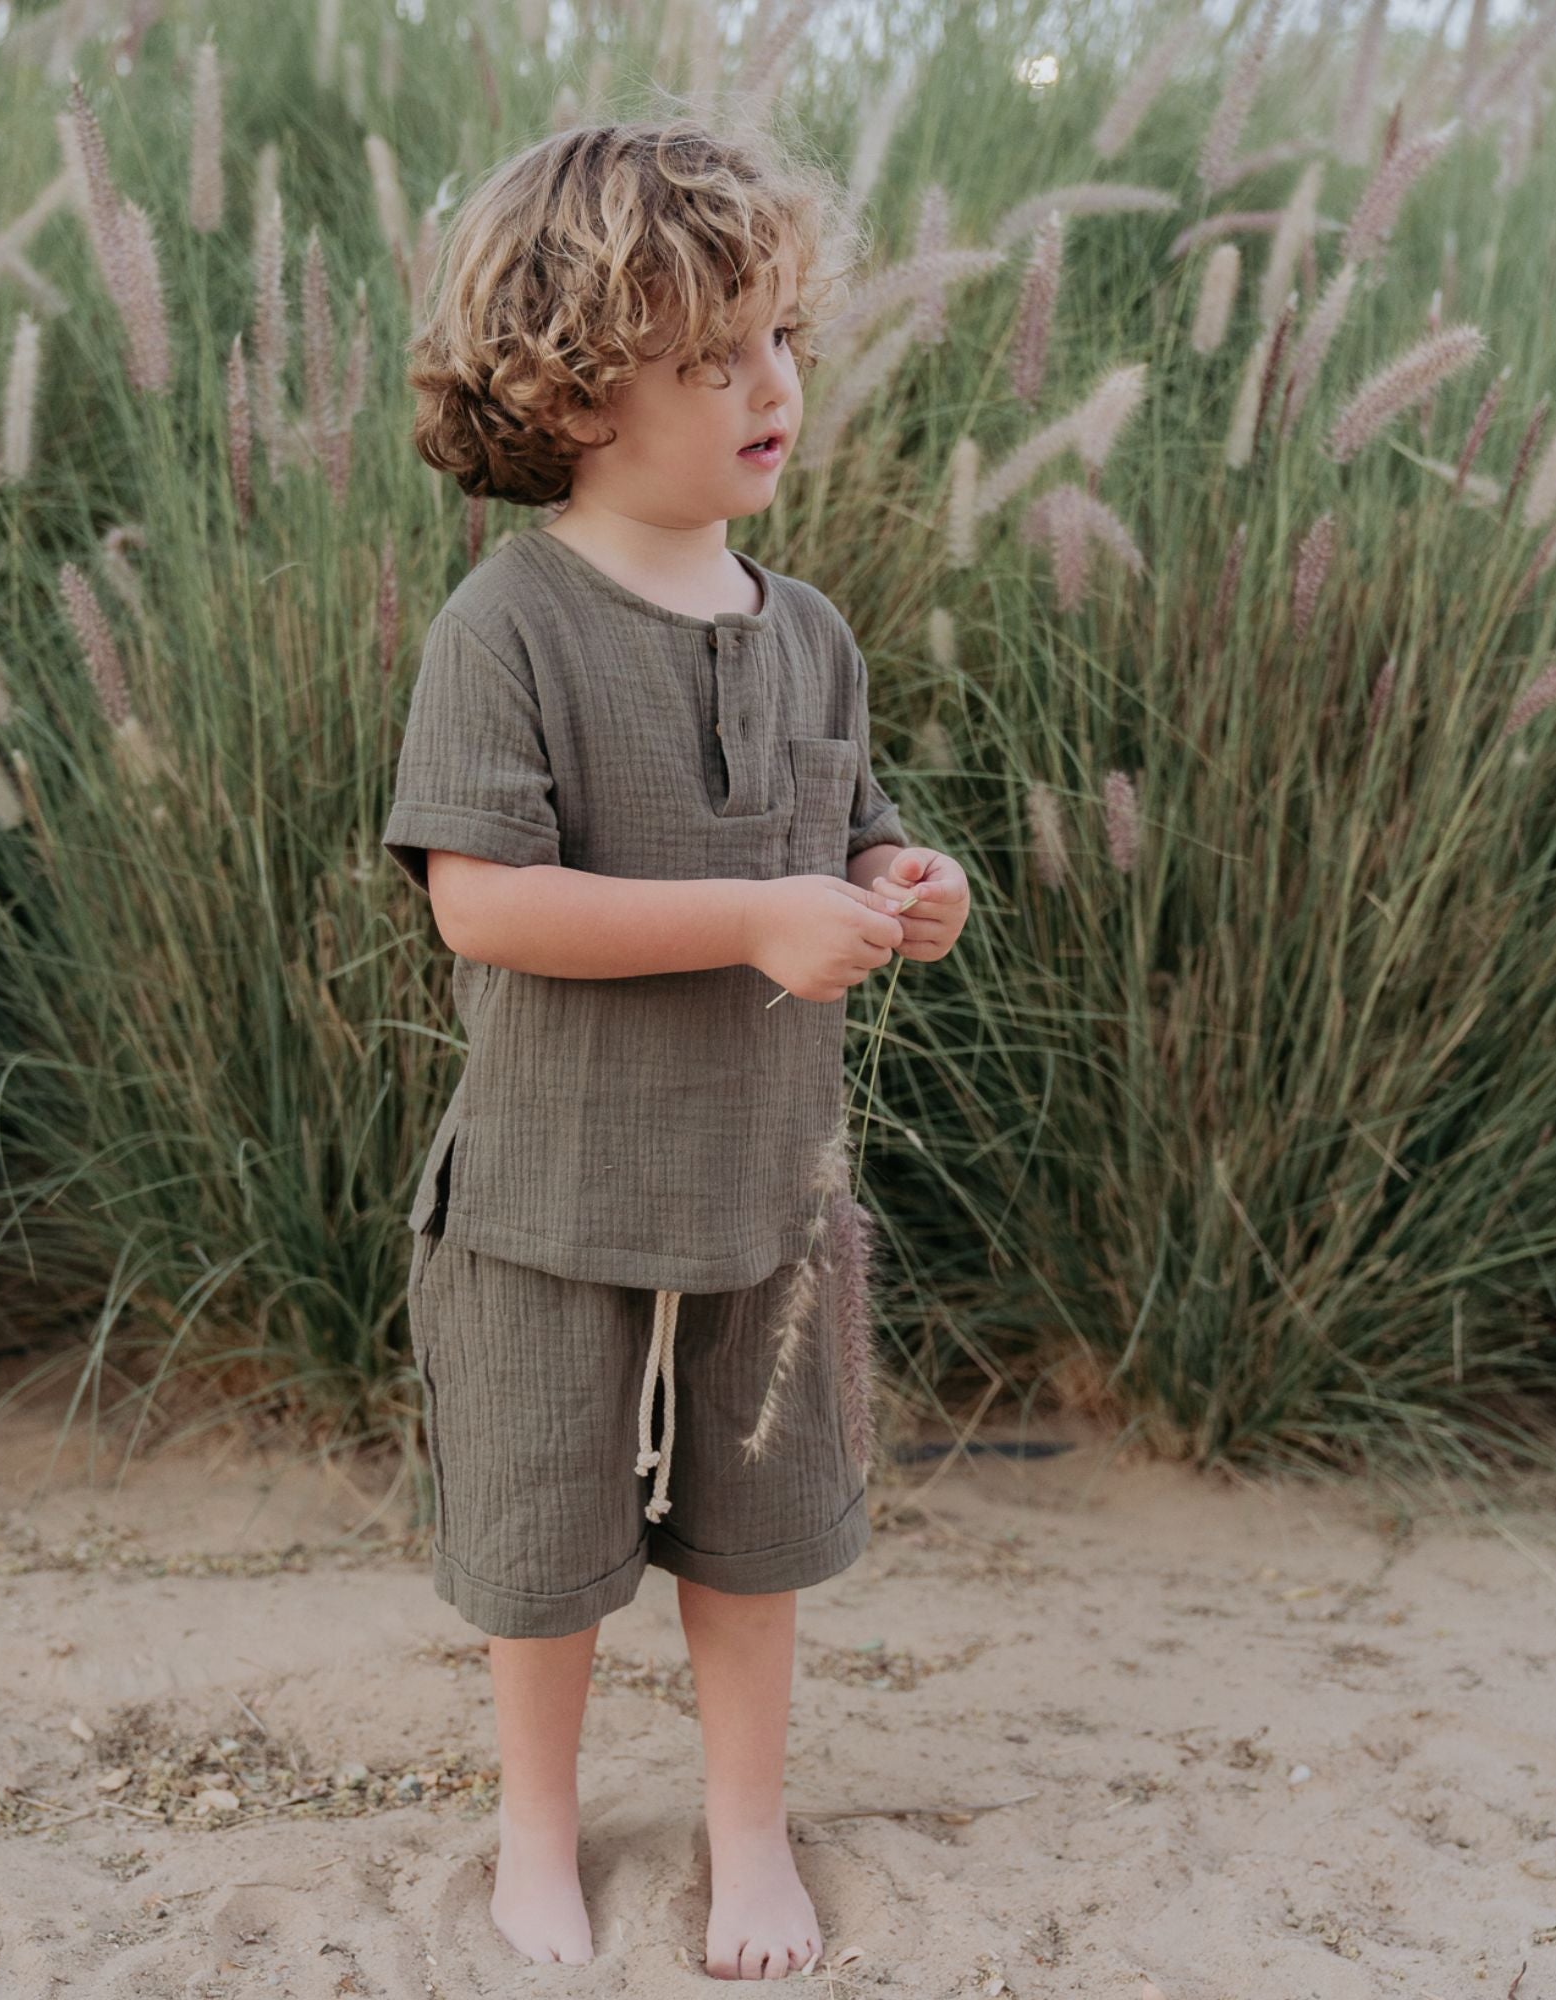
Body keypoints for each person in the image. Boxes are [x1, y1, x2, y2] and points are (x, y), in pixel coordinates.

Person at [381, 112, 970, 1980]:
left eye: (782, 338)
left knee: (757, 1537)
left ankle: (743, 1830)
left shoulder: (811, 636)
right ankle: (534, 1832)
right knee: (545, 1549)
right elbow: (482, 901)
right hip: (552, 1193)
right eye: (707, 358)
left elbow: (842, 834)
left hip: (765, 1194)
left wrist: (895, 876)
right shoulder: (509, 627)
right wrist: (748, 917)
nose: (769, 386)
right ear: (568, 392)